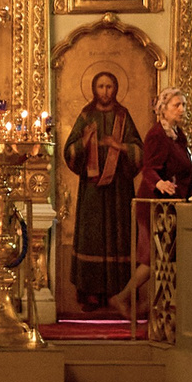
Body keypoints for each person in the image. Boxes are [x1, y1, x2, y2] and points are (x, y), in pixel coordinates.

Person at [62, 71, 141, 313]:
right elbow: (69, 151)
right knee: (93, 235)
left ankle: (118, 290)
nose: (105, 91)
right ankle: (91, 292)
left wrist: (122, 147)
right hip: (92, 190)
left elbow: (139, 150)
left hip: (119, 188)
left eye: (109, 87)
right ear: (94, 89)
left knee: (118, 235)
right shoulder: (87, 116)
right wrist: (84, 142)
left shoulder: (123, 116)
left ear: (115, 89)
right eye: (100, 86)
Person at [119, 87, 192, 319]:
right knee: (153, 258)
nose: (182, 109)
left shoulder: (178, 135)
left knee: (164, 257)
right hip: (154, 206)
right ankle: (123, 298)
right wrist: (159, 183)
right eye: (176, 105)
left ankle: (153, 308)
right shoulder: (156, 135)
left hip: (173, 205)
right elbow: (148, 167)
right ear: (163, 110)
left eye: (183, 105)